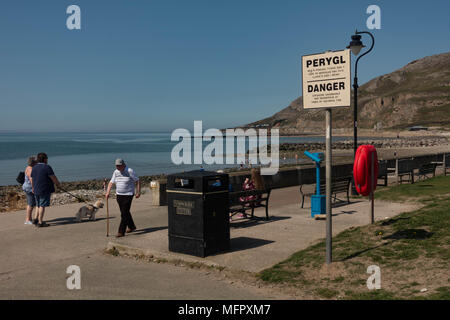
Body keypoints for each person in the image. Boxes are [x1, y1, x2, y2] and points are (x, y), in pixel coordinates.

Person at [105, 159, 141, 238]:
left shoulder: (129, 171)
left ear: (123, 165)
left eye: (119, 166)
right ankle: (132, 226)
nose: (117, 167)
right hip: (119, 195)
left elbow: (137, 181)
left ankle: (121, 231)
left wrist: (138, 192)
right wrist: (107, 192)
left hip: (128, 194)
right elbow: (111, 182)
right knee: (125, 212)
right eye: (116, 166)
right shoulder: (116, 172)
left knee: (124, 213)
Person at [30, 153, 61, 227]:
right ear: (45, 159)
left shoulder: (34, 167)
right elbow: (53, 177)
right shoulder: (47, 167)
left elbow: (32, 178)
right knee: (42, 205)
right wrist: (58, 184)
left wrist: (33, 187)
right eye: (47, 158)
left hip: (36, 188)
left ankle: (35, 219)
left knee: (38, 204)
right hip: (44, 189)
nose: (47, 160)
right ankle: (40, 222)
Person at [22, 156, 37, 225]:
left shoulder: (28, 168)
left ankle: (29, 219)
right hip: (29, 188)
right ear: (33, 163)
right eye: (36, 162)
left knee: (31, 203)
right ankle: (28, 219)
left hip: (27, 187)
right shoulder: (30, 169)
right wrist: (34, 188)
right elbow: (32, 180)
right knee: (31, 204)